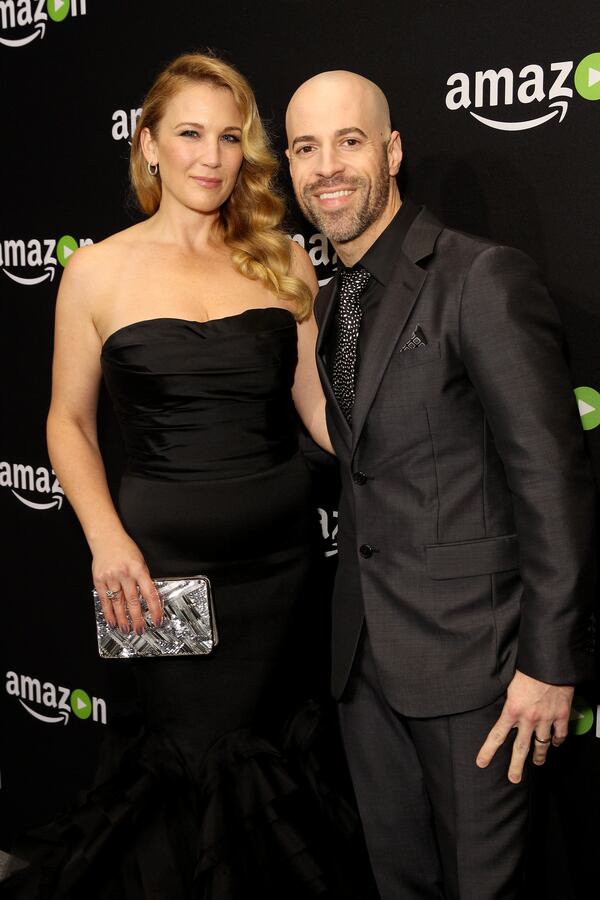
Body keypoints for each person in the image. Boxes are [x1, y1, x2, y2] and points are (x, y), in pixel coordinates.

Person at [4, 54, 373, 900]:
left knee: (283, 772)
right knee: (185, 769)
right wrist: (106, 545)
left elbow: (319, 410)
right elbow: (66, 422)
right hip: (156, 576)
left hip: (283, 575)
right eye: (190, 134)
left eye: (230, 138)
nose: (211, 157)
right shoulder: (94, 270)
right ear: (149, 145)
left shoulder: (285, 260)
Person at [285, 70, 595, 900]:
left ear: (389, 152)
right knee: (400, 884)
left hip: (478, 666)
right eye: (307, 148)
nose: (328, 167)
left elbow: (551, 479)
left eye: (348, 141)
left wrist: (550, 663)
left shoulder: (478, 277)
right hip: (364, 663)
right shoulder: (330, 302)